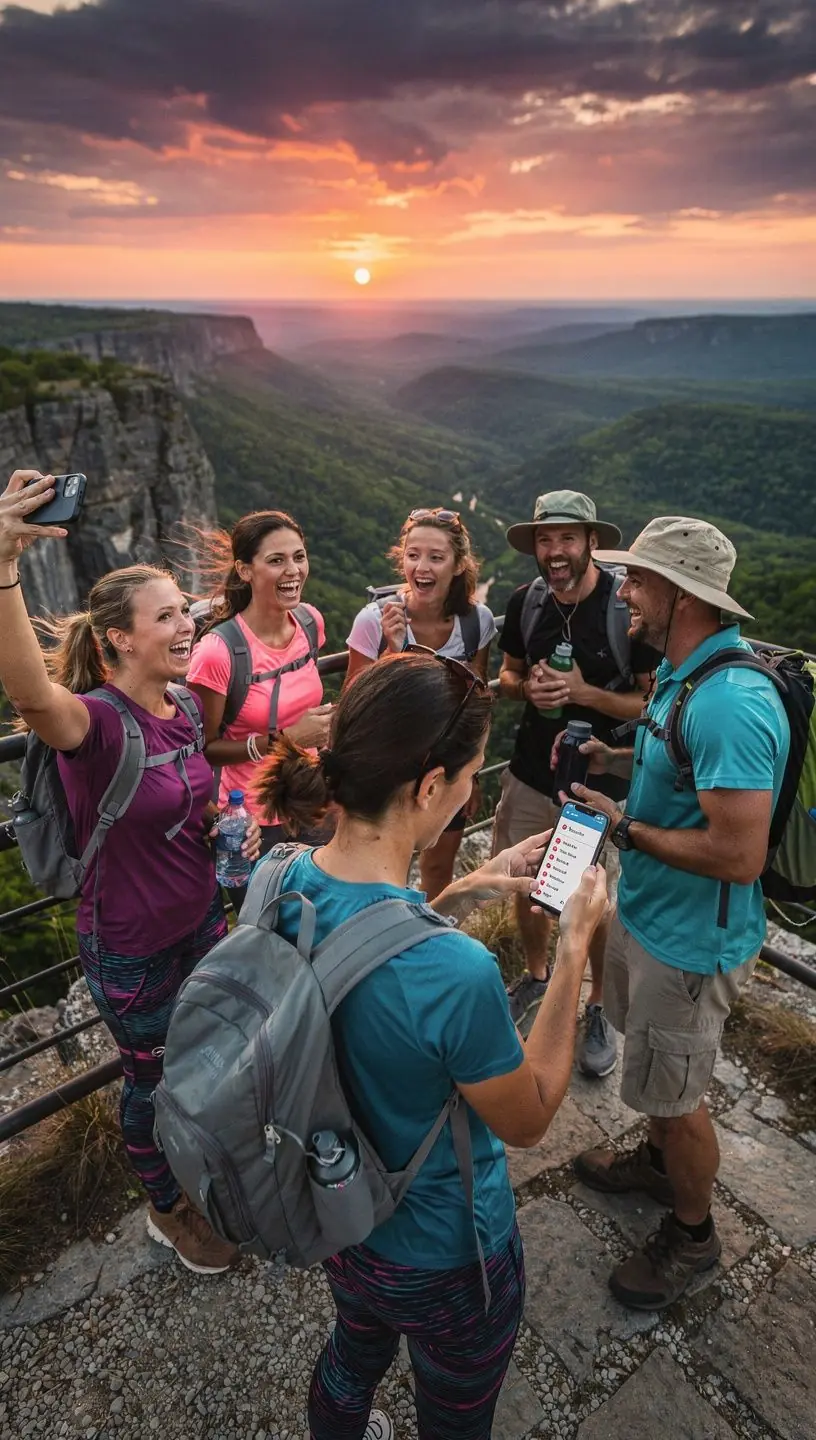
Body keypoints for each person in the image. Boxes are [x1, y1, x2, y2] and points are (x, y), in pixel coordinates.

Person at [256, 648, 607, 1440]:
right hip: (443, 1251)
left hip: (336, 1209)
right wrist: (575, 946)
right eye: (470, 775)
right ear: (425, 788)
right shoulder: (456, 972)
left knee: (353, 1351)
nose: (473, 791)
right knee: (454, 1408)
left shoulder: (279, 879)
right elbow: (529, 1116)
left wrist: (463, 890)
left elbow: (365, 961)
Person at [0, 470, 261, 1275]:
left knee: (214, 1058)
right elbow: (29, 692)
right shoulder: (98, 724)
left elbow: (185, 800)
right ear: (118, 638)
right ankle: (166, 1208)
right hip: (131, 948)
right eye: (168, 616)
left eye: (187, 609)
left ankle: (210, 1167)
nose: (190, 623)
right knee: (152, 1084)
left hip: (203, 922)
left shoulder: (182, 707)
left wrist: (225, 826)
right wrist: (4, 567)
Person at [565, 516, 789, 1310]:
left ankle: (693, 1234)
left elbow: (739, 855)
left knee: (679, 1096)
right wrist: (616, 761)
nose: (624, 592)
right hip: (651, 912)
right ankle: (659, 1167)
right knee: (659, 1074)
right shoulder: (681, 672)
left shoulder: (731, 701)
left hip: (693, 941)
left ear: (682, 594)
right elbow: (676, 761)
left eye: (638, 580)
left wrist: (622, 825)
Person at [495, 490, 657, 1069]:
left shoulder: (624, 610)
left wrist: (587, 695)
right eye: (545, 539)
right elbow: (509, 675)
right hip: (531, 771)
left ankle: (595, 1005)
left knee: (592, 899)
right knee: (525, 880)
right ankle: (537, 977)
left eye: (568, 538)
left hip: (598, 783)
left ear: (592, 542)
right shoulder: (527, 603)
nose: (555, 551)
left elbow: (652, 705)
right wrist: (525, 690)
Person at [346, 506, 496, 898]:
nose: (421, 567)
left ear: (459, 564)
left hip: (447, 768)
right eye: (413, 555)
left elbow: (476, 702)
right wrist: (392, 656)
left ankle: (427, 943)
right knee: (379, 869)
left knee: (437, 868)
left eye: (436, 557)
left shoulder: (476, 622)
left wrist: (470, 776)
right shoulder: (374, 621)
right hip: (388, 768)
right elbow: (353, 710)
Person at [186, 510, 332, 913]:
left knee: (321, 916)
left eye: (299, 557)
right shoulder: (218, 653)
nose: (293, 571)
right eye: (276, 560)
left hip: (312, 800)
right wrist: (285, 741)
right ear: (244, 570)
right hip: (252, 822)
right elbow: (202, 749)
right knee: (269, 928)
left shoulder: (309, 622)